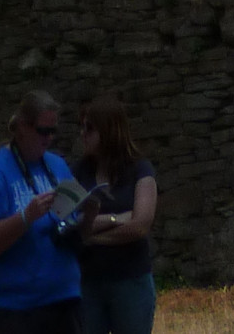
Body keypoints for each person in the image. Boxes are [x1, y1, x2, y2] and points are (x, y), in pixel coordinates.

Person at [0, 89, 82, 334]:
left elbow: (74, 224)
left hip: (63, 301)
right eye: (43, 131)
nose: (49, 138)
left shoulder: (57, 165)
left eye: (53, 131)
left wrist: (90, 213)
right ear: (22, 126)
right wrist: (25, 217)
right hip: (13, 309)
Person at [71, 96, 158, 334]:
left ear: (109, 131)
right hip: (88, 283)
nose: (82, 134)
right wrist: (117, 218)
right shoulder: (77, 173)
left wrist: (91, 235)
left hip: (130, 281)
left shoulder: (140, 170)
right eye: (82, 127)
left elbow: (140, 226)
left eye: (90, 128)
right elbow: (68, 224)